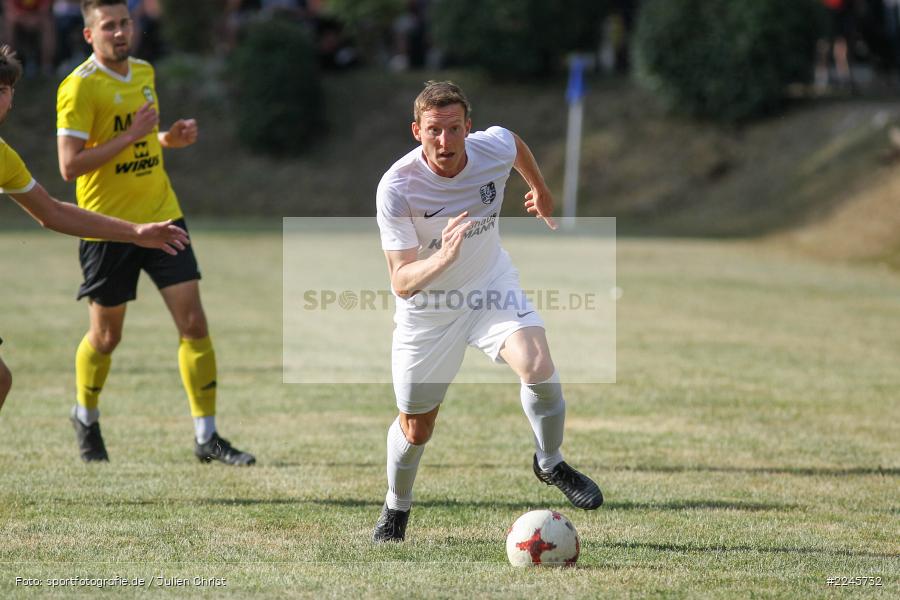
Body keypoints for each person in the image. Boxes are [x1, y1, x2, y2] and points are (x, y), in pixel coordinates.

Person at [372, 81, 603, 542]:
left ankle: (550, 461)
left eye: (453, 129)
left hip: (490, 287)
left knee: (538, 366)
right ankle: (396, 508)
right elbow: (400, 281)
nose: (444, 141)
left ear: (467, 128)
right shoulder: (397, 186)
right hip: (428, 313)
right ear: (417, 130)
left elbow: (514, 143)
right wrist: (441, 259)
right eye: (434, 130)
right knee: (417, 428)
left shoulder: (489, 148)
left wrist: (540, 188)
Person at [55, 0, 255, 465]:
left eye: (125, 23)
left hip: (163, 217)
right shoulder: (78, 88)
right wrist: (131, 136)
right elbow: (69, 166)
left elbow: (146, 136)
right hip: (110, 228)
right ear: (90, 35)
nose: (120, 32)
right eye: (109, 26)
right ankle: (85, 415)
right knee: (106, 338)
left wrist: (169, 139)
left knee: (194, 325)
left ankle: (207, 437)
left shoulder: (144, 71)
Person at [0, 43, 189, 415]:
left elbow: (52, 212)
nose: (2, 100)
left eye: (4, 91)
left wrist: (136, 233)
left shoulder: (4, 158)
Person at [2, 0, 56, 76]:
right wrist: (23, 18)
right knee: (9, 21)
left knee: (47, 24)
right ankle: (9, 64)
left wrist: (35, 18)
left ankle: (47, 65)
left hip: (38, 18)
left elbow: (45, 8)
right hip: (17, 18)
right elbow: (9, 7)